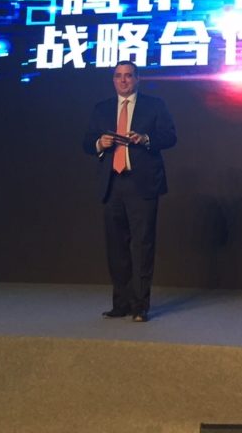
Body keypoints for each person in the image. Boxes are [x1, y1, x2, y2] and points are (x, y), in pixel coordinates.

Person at [82, 60, 177, 322]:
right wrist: (99, 143)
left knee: (142, 245)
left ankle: (140, 306)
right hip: (112, 184)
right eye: (118, 76)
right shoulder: (102, 108)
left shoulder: (154, 105)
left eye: (128, 75)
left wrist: (145, 139)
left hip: (142, 183)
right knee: (116, 247)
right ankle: (120, 303)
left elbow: (170, 137)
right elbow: (87, 143)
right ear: (113, 80)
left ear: (137, 79)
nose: (123, 80)